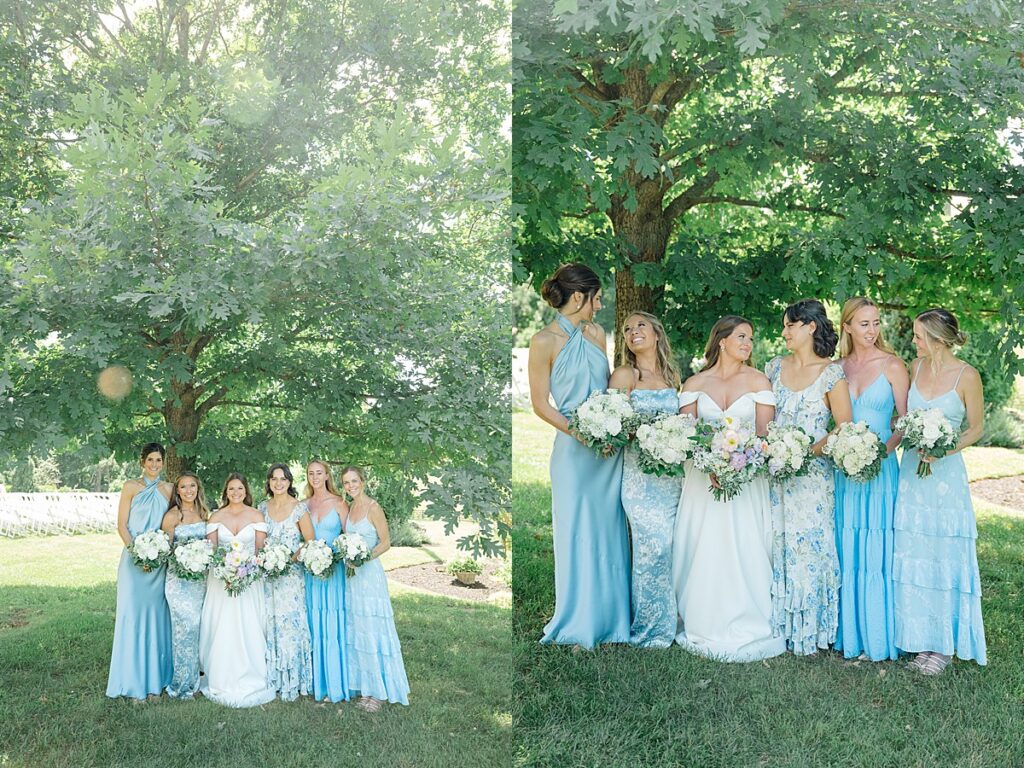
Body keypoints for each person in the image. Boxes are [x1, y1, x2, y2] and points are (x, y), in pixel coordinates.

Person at [527, 263, 630, 648]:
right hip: (574, 449)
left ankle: (612, 618)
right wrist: (582, 434)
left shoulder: (597, 333)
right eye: (596, 298)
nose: (599, 306)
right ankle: (577, 617)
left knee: (608, 530)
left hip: (607, 448)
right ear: (577, 297)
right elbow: (540, 404)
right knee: (577, 532)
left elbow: (604, 390)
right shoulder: (543, 341)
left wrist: (610, 426)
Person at [672, 316, 786, 661]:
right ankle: (701, 615)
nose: (748, 343)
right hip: (700, 480)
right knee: (703, 544)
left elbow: (766, 437)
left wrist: (739, 462)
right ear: (721, 340)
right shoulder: (694, 382)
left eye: (750, 338)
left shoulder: (758, 381)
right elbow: (685, 434)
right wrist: (711, 463)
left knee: (743, 543)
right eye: (741, 336)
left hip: (746, 480)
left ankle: (747, 617)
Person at [894, 308, 987, 674]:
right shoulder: (914, 369)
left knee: (942, 553)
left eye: (918, 336)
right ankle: (920, 639)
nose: (913, 341)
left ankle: (944, 646)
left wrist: (942, 449)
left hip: (945, 478)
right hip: (911, 475)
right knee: (915, 549)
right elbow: (903, 419)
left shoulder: (967, 376)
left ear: (936, 339)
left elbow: (976, 428)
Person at [766, 299, 852, 655]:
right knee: (775, 542)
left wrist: (805, 452)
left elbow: (842, 426)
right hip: (774, 474)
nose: (784, 332)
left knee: (808, 548)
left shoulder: (832, 374)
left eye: (789, 325)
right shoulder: (772, 367)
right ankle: (774, 624)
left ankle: (809, 631)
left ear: (810, 327)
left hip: (813, 477)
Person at [834, 298, 908, 661]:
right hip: (843, 471)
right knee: (846, 547)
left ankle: (879, 636)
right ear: (847, 327)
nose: (872, 330)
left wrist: (880, 452)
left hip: (880, 469)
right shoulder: (836, 368)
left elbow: (905, 422)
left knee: (877, 551)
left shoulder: (893, 366)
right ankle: (847, 634)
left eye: (876, 322)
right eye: (864, 323)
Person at [608, 312, 682, 648]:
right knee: (653, 548)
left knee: (671, 549)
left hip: (672, 480)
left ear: (656, 332)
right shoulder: (626, 374)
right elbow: (613, 426)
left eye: (640, 326)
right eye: (626, 329)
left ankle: (673, 621)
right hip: (639, 480)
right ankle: (650, 629)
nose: (633, 331)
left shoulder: (671, 376)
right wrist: (646, 433)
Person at [198, 473, 275, 707]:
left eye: (240, 488)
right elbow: (211, 551)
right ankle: (220, 674)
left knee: (247, 624)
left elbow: (260, 552)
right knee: (222, 624)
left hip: (249, 580)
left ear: (246, 491)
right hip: (220, 581)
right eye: (231, 489)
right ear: (225, 492)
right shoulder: (216, 516)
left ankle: (251, 674)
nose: (235, 493)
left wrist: (245, 569)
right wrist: (226, 569)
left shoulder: (256, 515)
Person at [106, 442, 174, 699]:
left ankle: (158, 679)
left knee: (157, 619)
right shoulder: (130, 487)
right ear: (142, 462)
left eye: (159, 460)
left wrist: (159, 552)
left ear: (163, 463)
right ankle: (132, 682)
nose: (154, 465)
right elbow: (121, 525)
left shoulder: (168, 489)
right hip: (134, 561)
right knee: (133, 617)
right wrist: (137, 551)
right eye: (150, 460)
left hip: (159, 563)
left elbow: (170, 523)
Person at [340, 466, 410, 709]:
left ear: (363, 481)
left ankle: (379, 692)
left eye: (354, 481)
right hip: (352, 577)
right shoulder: (349, 508)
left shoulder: (373, 507)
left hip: (369, 575)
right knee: (357, 629)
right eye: (346, 483)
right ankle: (364, 688)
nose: (351, 486)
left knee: (373, 628)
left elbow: (386, 542)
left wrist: (363, 558)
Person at [259, 463, 314, 701]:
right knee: (268, 622)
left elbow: (310, 541)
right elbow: (257, 541)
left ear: (289, 482)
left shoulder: (299, 509)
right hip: (267, 577)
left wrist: (287, 560)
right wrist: (268, 561)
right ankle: (271, 677)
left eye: (283, 479)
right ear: (269, 482)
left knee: (289, 624)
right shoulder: (261, 508)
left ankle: (294, 679)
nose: (278, 483)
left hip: (291, 577)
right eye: (274, 479)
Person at [303, 459, 351, 701]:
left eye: (319, 473)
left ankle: (334, 680)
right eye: (310, 473)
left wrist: (336, 555)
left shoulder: (340, 503)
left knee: (332, 623)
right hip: (309, 572)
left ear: (326, 475)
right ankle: (312, 681)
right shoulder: (303, 505)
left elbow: (349, 537)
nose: (314, 477)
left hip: (333, 573)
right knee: (311, 621)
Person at [161, 471, 211, 698]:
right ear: (177, 491)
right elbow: (165, 549)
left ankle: (197, 678)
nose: (189, 490)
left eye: (193, 486)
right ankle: (181, 684)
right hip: (178, 581)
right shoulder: (173, 515)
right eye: (183, 487)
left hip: (200, 581)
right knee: (185, 629)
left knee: (198, 628)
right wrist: (184, 559)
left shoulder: (204, 513)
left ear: (198, 489)